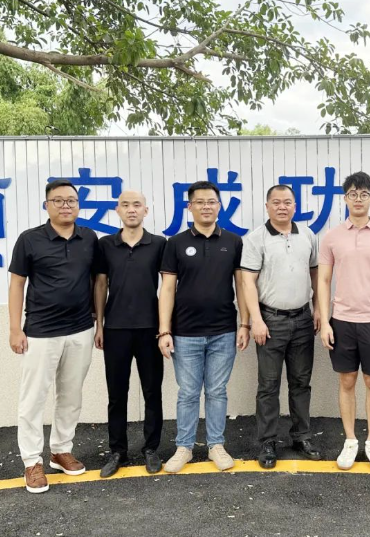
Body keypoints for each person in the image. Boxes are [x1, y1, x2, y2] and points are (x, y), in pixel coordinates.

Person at [8, 179, 100, 494]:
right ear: (46, 205)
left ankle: (61, 450)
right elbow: (17, 284)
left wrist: (98, 322)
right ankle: (32, 461)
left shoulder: (89, 237)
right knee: (33, 398)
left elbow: (97, 281)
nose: (65, 205)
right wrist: (15, 328)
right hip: (40, 332)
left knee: (71, 395)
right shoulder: (30, 239)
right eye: (58, 200)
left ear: (78, 205)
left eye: (71, 200)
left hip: (80, 329)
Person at [157, 181, 251, 473]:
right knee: (187, 392)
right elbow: (167, 289)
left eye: (211, 201)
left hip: (224, 330)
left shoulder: (233, 242)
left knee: (217, 391)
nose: (206, 206)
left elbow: (242, 285)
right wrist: (164, 330)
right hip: (185, 332)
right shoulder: (175, 243)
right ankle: (184, 447)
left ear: (219, 206)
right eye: (200, 202)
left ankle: (216, 445)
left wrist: (245, 323)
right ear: (190, 207)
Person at [318, 172, 370, 472]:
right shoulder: (331, 237)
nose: (358, 199)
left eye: (364, 194)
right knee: (347, 380)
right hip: (341, 320)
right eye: (352, 194)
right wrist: (325, 322)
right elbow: (323, 280)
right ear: (345, 198)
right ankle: (351, 440)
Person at [241, 185, 322, 469]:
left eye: (287, 202)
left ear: (295, 206)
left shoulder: (308, 235)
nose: (282, 207)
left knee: (301, 382)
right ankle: (267, 442)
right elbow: (247, 282)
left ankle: (301, 436)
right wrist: (256, 320)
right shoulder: (256, 238)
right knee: (268, 386)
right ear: (267, 206)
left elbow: (316, 274)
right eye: (276, 202)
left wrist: (319, 308)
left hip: (302, 319)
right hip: (270, 321)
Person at [94, 190, 167, 478]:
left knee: (152, 391)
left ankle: (151, 448)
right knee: (116, 393)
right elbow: (100, 285)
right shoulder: (106, 245)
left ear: (146, 210)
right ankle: (117, 451)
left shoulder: (159, 244)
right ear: (118, 210)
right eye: (125, 205)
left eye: (137, 205)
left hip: (150, 329)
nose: (131, 209)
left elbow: (168, 287)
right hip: (115, 329)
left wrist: (165, 328)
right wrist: (100, 325)